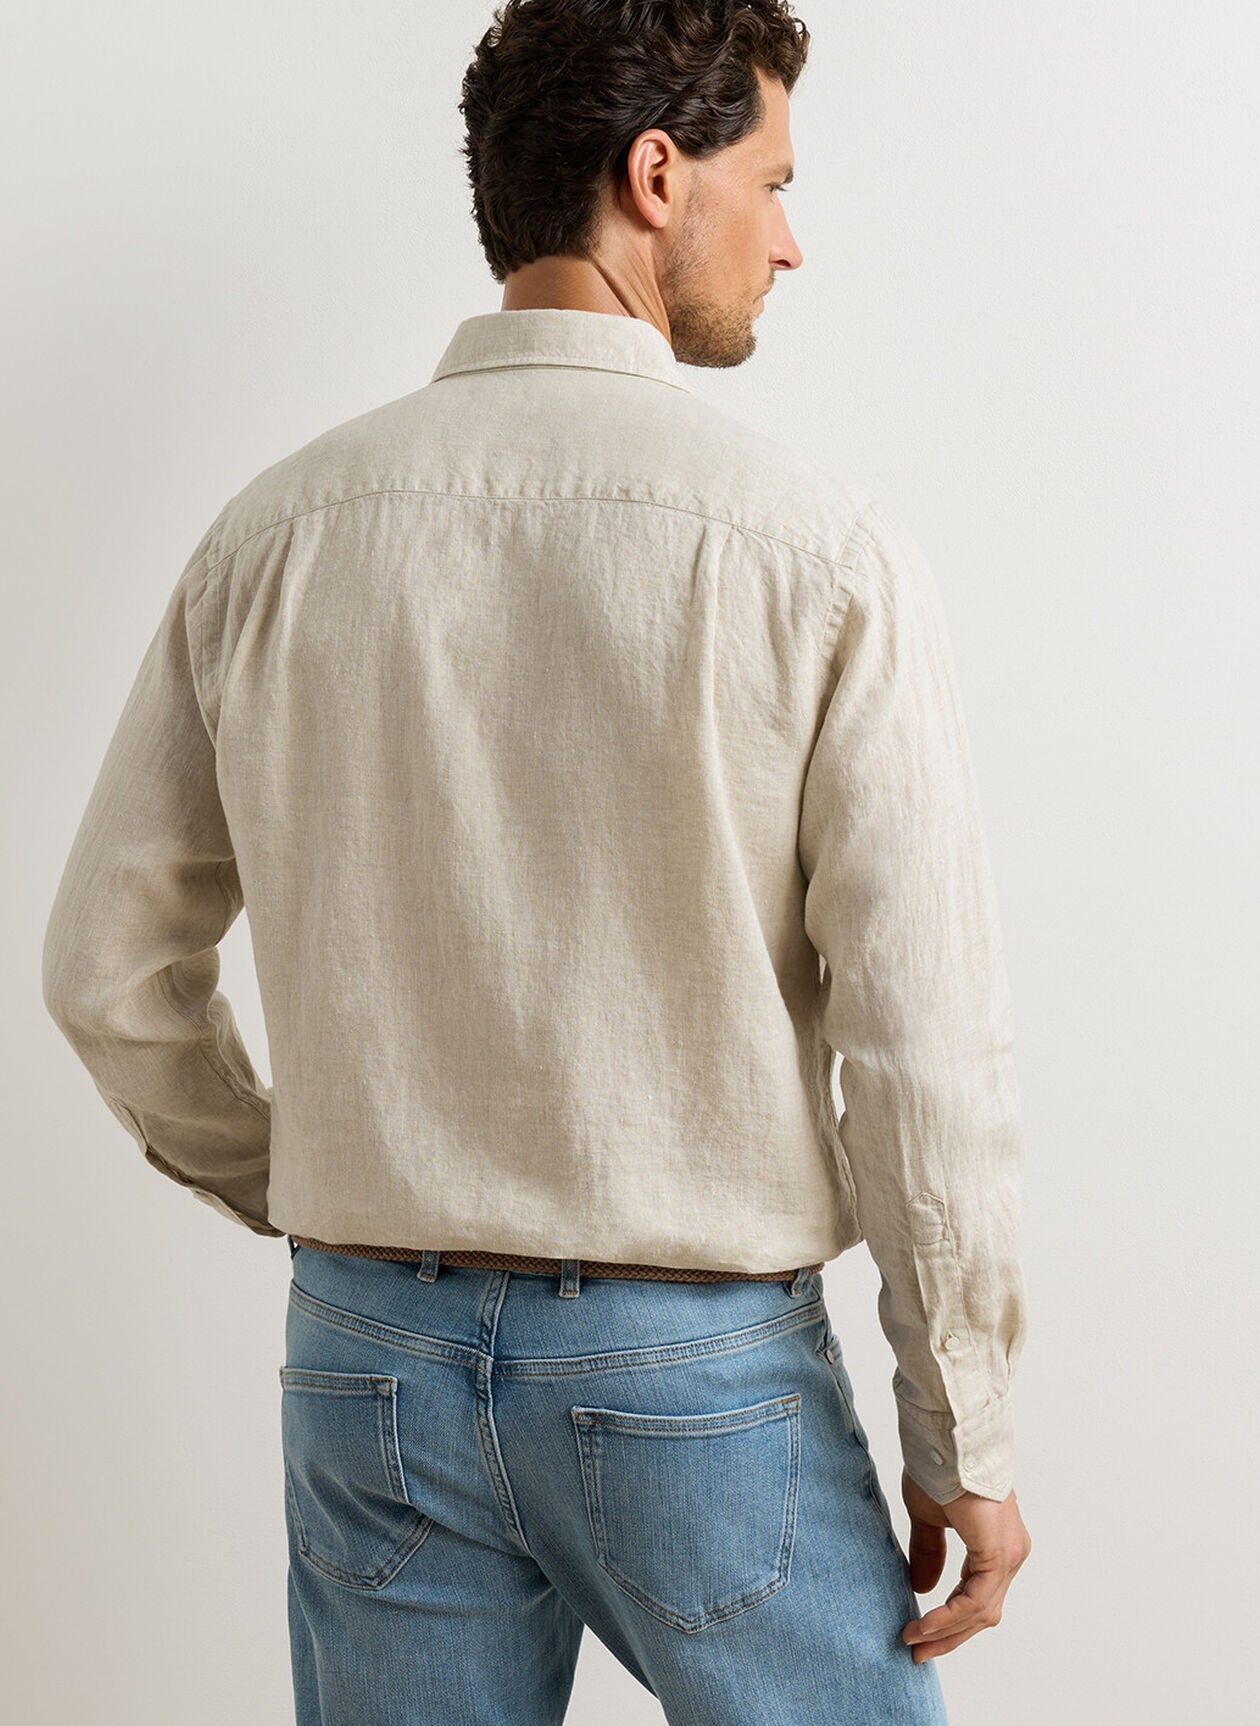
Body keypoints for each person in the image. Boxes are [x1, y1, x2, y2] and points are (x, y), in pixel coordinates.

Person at [41, 2, 1031, 1720]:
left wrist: (322, 1186)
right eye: (772, 182)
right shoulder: (823, 553)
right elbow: (923, 1050)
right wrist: (967, 1429)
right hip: (693, 1374)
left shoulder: (275, 536)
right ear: (656, 176)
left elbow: (104, 973)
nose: (792, 237)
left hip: (368, 1367)